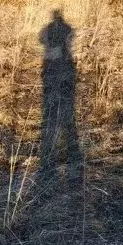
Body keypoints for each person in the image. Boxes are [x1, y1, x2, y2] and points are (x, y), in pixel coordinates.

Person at [39, 10, 81, 163]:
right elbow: (71, 39)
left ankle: (52, 105)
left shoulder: (46, 29)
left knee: (51, 97)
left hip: (50, 63)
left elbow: (41, 40)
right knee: (65, 98)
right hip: (64, 63)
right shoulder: (68, 28)